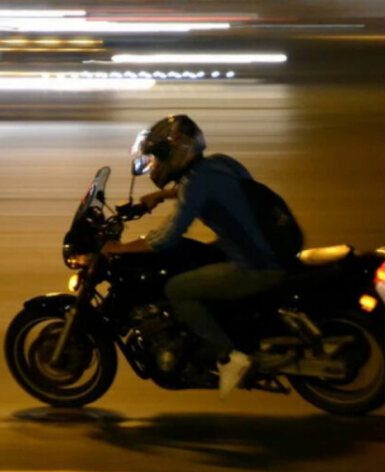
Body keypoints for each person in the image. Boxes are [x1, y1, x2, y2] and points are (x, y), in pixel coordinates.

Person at [100, 114, 285, 398]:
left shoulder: (194, 184)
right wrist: (164, 196)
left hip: (255, 262)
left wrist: (118, 248)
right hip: (262, 245)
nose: (155, 164)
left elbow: (166, 238)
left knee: (178, 289)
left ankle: (229, 358)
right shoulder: (220, 163)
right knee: (196, 257)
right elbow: (215, 188)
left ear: (176, 153)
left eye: (158, 157)